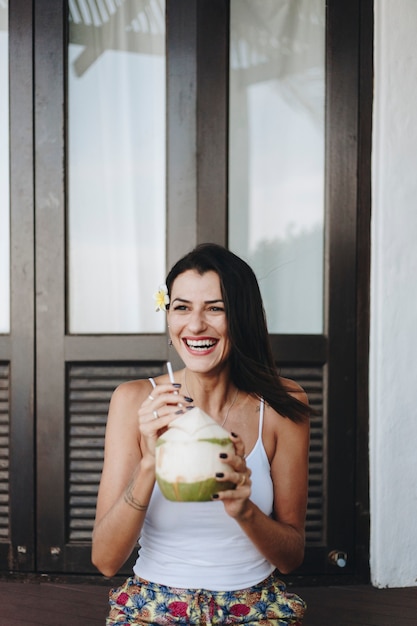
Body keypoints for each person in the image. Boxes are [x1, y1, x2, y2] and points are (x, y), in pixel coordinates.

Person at [92, 243, 311, 625]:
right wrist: (149, 463)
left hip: (253, 605)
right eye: (181, 307)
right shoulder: (133, 401)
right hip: (153, 604)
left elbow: (291, 558)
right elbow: (106, 560)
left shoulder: (282, 404)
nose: (195, 326)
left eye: (215, 308)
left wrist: (243, 509)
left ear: (241, 316)